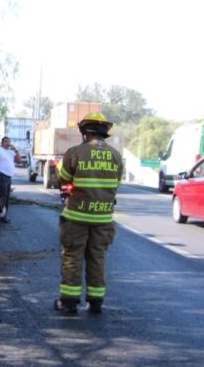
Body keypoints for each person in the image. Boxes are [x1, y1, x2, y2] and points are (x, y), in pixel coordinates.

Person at [54, 112, 124, 314]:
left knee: (72, 257)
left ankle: (68, 303)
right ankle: (96, 302)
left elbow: (63, 178)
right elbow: (116, 184)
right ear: (104, 134)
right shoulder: (116, 156)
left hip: (76, 216)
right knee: (98, 257)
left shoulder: (75, 152)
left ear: (85, 132)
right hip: (103, 218)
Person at [0, 136, 21, 223]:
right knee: (2, 198)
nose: (8, 143)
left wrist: (16, 150)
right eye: (6, 142)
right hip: (1, 177)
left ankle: (3, 216)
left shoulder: (10, 152)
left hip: (8, 178)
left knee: (6, 198)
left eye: (9, 142)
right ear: (2, 143)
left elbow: (19, 160)